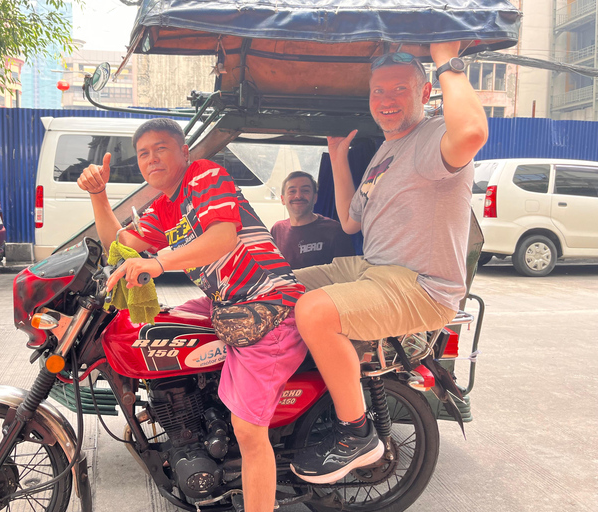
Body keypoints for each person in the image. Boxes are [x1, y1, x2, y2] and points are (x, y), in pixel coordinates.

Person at [77, 118, 307, 512]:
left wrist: (160, 262)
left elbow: (222, 236)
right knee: (159, 330)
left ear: (184, 152)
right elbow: (120, 242)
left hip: (268, 303)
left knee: (249, 430)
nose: (152, 158)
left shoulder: (204, 176)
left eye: (161, 148)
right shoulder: (166, 207)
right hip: (227, 303)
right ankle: (197, 416)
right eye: (144, 153)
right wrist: (99, 194)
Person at [290, 41, 488, 483]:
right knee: (274, 285)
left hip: (422, 284)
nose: (386, 100)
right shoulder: (385, 151)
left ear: (423, 94)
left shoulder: (433, 134)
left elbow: (473, 132)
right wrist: (338, 160)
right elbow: (348, 222)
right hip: (373, 269)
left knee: (314, 311)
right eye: (378, 92)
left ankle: (355, 433)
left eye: (400, 89)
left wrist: (445, 61)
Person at [270, 171, 355, 269]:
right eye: (292, 191)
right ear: (283, 199)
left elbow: (347, 273)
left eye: (305, 190)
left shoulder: (334, 230)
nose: (298, 196)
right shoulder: (277, 230)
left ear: (315, 198)